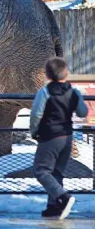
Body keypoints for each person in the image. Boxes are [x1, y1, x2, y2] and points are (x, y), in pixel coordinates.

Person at [30, 57, 88, 220]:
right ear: (67, 73)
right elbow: (82, 113)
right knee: (57, 173)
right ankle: (54, 207)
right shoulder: (74, 92)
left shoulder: (45, 92)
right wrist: (79, 99)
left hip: (49, 136)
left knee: (41, 170)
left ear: (47, 75)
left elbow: (36, 114)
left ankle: (63, 197)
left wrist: (34, 131)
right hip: (67, 137)